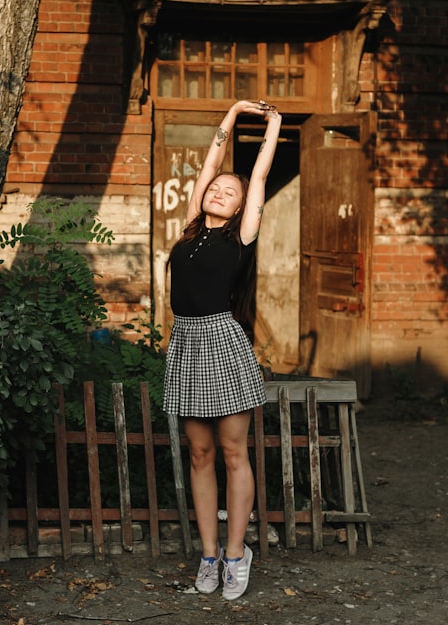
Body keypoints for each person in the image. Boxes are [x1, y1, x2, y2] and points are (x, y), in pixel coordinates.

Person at [162, 99, 281, 601]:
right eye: (215, 188)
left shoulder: (242, 237)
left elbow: (257, 177)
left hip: (221, 341)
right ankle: (209, 555)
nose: (218, 190)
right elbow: (209, 163)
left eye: (228, 192)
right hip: (186, 342)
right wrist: (231, 114)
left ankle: (237, 555)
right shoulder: (190, 229)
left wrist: (272, 125)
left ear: (239, 208)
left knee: (234, 452)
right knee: (200, 453)